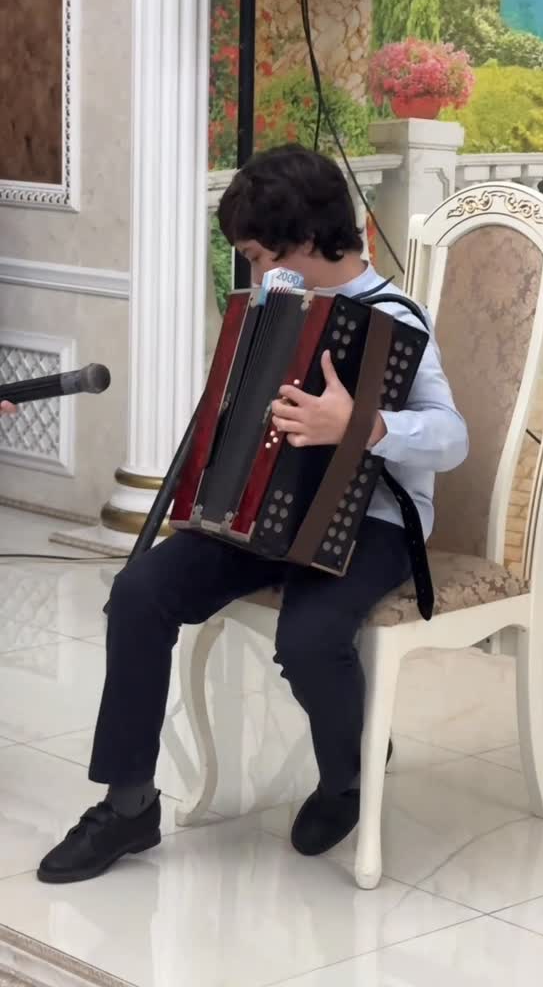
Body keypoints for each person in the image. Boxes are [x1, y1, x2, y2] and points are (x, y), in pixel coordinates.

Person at [37, 145, 468, 884]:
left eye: (262, 256)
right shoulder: (274, 310)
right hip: (265, 511)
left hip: (374, 523)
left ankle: (347, 775)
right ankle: (129, 803)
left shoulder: (396, 316)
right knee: (139, 593)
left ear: (309, 240)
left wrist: (362, 426)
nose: (258, 273)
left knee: (310, 637)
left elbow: (453, 438)